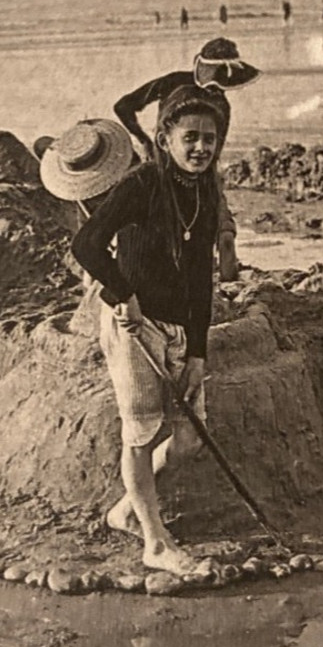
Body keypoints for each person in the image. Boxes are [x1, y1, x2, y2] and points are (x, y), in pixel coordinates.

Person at [71, 86, 225, 575]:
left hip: (180, 327)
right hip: (133, 326)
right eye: (190, 137)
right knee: (139, 434)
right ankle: (155, 542)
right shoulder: (141, 185)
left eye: (210, 138)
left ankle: (127, 509)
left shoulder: (206, 190)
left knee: (188, 440)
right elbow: (87, 244)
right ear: (164, 138)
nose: (200, 147)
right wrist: (123, 295)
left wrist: (198, 352)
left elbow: (202, 276)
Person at [113, 37, 260, 281]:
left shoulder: (173, 82)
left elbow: (123, 106)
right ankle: (228, 288)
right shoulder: (221, 105)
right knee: (222, 235)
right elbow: (210, 155)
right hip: (198, 176)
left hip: (161, 168)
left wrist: (145, 141)